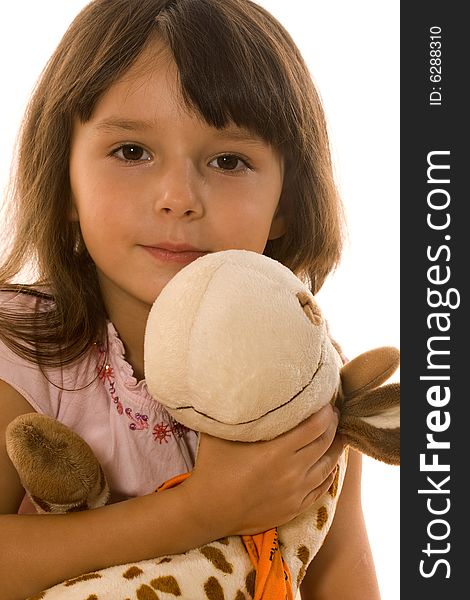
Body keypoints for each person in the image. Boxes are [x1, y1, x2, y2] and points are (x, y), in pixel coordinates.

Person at [0, 1, 381, 598]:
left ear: (285, 201)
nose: (178, 198)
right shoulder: (23, 352)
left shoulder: (304, 376)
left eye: (229, 160)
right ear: (64, 178)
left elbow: (340, 572)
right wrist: (200, 514)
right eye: (131, 152)